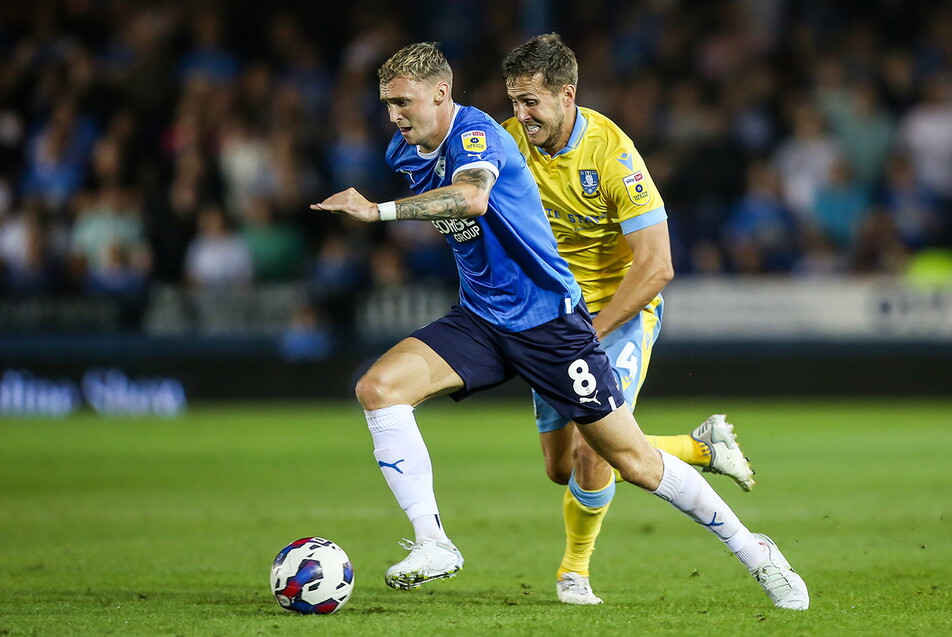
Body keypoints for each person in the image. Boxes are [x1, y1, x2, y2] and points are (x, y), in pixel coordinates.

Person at [310, 41, 808, 610]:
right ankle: (434, 542)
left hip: (555, 322)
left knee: (625, 462)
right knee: (381, 389)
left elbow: (473, 198)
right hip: (482, 318)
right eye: (388, 104)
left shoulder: (499, 139)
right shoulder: (410, 150)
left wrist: (378, 211)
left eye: (403, 102)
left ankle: (755, 551)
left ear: (441, 94)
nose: (394, 115)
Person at [500, 33, 758, 605]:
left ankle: (574, 572)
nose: (521, 114)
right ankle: (699, 448)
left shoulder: (613, 156)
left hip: (616, 315)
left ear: (567, 94)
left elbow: (658, 266)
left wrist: (588, 335)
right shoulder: (508, 141)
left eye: (531, 102)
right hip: (551, 318)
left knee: (594, 451)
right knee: (561, 467)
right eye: (514, 101)